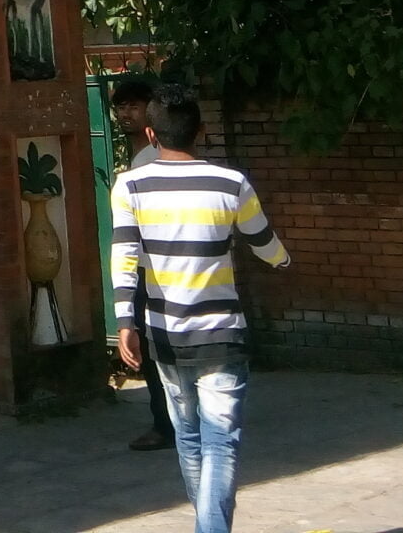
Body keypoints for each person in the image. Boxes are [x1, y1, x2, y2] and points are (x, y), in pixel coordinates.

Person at [111, 83, 291, 533]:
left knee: (189, 438)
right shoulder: (231, 183)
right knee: (221, 442)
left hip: (164, 333)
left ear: (151, 135)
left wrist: (124, 322)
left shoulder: (130, 185)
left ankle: (208, 525)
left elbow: (124, 257)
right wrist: (283, 260)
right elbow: (266, 245)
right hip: (222, 334)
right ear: (202, 131)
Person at [109, 73, 173, 451]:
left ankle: (165, 426)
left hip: (152, 272)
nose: (125, 114)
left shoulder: (152, 160)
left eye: (134, 105)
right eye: (120, 106)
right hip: (150, 269)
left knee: (152, 353)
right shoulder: (138, 156)